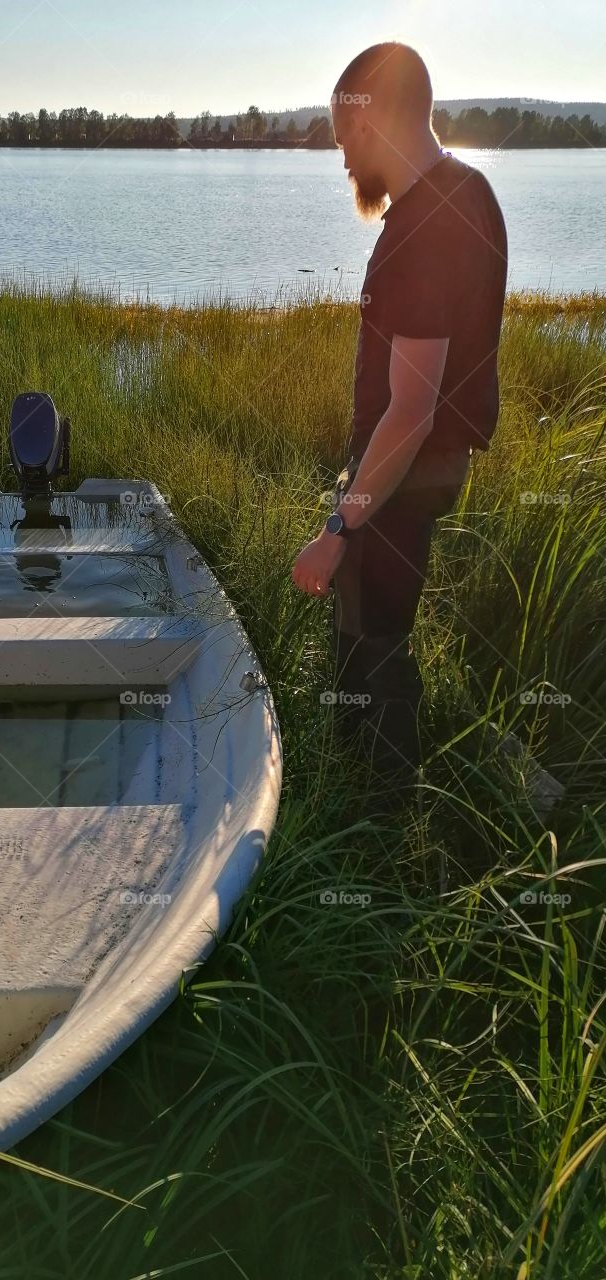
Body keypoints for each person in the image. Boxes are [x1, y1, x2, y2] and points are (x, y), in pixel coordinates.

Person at [291, 42, 508, 792]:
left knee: (373, 649)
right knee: (373, 634)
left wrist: (337, 527)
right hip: (419, 471)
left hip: (403, 473)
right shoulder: (468, 191)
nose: (344, 158)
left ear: (377, 117)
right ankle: (367, 804)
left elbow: (411, 412)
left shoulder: (425, 229)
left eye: (346, 137)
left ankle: (377, 830)